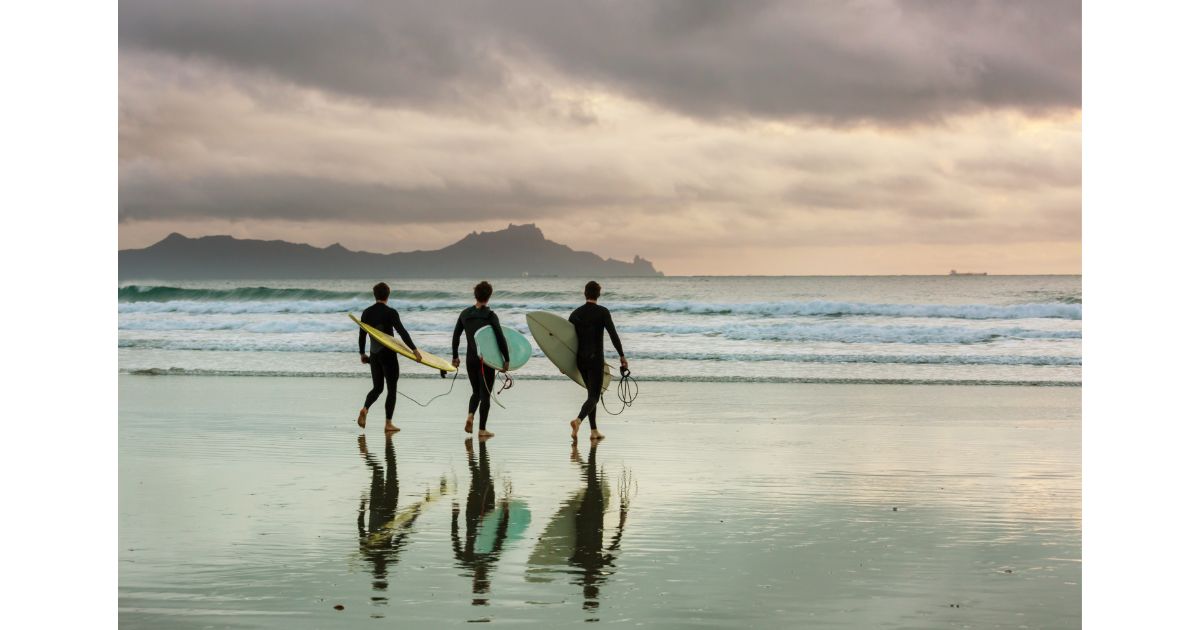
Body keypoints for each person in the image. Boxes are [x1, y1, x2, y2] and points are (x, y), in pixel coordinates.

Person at [357, 282, 422, 433]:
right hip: (388, 355)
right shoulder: (390, 312)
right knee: (391, 389)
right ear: (388, 295)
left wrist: (362, 353)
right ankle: (388, 423)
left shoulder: (366, 313)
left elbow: (362, 335)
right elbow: (402, 332)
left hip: (374, 354)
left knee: (377, 388)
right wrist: (414, 350)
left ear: (375, 295)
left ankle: (365, 409)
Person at [568, 281, 628, 442]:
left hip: (580, 360)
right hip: (595, 359)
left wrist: (564, 363)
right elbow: (613, 335)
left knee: (590, 395)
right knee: (594, 396)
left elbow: (568, 340)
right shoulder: (602, 312)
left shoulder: (575, 314)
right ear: (599, 294)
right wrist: (621, 355)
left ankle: (594, 431)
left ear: (585, 293)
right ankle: (578, 420)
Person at [451, 281, 509, 438]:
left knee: (476, 391)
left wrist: (455, 356)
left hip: (471, 359)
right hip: (486, 360)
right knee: (485, 395)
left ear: (475, 295)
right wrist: (506, 358)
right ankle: (482, 430)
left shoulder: (465, 314)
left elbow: (456, 336)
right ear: (489, 296)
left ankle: (470, 415)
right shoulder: (490, 316)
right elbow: (500, 337)